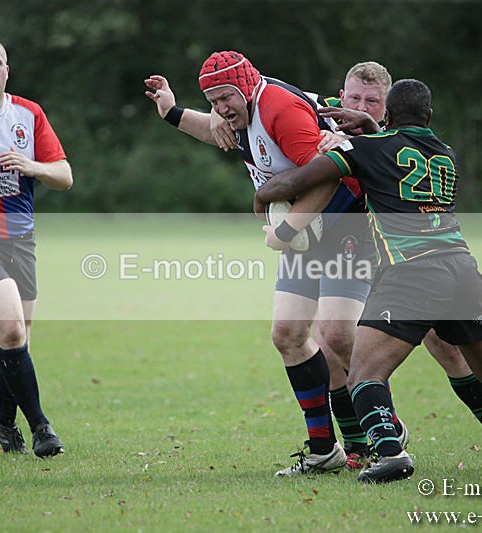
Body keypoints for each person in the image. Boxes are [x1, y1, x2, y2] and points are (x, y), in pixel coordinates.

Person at [254, 78, 482, 482]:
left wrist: (262, 197)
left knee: (364, 374)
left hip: (410, 272)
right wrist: (374, 130)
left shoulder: (363, 149)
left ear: (386, 112)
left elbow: (296, 183)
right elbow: (396, 155)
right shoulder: (446, 154)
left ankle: (390, 453)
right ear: (430, 115)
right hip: (461, 269)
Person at [146, 51, 403, 476]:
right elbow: (217, 132)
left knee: (338, 334)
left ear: (246, 87)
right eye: (213, 101)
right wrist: (172, 112)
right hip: (308, 229)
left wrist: (284, 230)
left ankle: (387, 427)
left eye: (226, 98)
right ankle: (324, 450)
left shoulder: (280, 110)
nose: (221, 108)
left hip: (345, 219)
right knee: (288, 334)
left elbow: (327, 174)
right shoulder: (238, 112)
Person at [318, 62, 482, 470]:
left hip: (407, 253)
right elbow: (277, 105)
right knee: (331, 333)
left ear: (387, 109)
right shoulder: (323, 120)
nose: (360, 106)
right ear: (341, 96)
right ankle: (363, 442)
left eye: (371, 101)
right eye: (354, 98)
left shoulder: (393, 142)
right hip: (348, 245)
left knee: (447, 345)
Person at [0, 36, 72, 457]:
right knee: (10, 329)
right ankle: (41, 427)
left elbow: (65, 177)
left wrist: (33, 166)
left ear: (7, 70)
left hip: (21, 240)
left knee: (17, 338)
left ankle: (3, 419)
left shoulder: (28, 113)